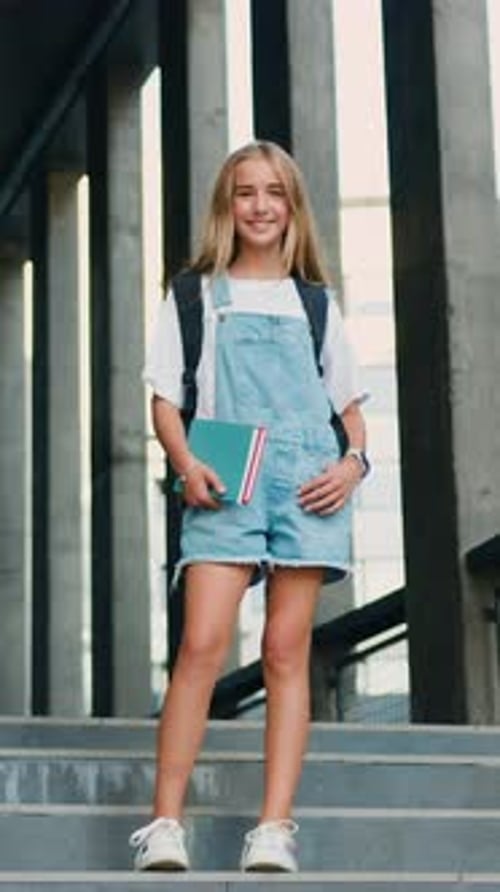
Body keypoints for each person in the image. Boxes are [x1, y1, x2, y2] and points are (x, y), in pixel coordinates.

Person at [129, 140, 368, 873]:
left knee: (284, 653)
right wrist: (186, 463)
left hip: (307, 476)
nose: (260, 206)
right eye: (245, 192)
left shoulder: (316, 303)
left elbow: (350, 412)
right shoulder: (195, 294)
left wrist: (353, 467)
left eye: (274, 193)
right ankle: (164, 824)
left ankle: (273, 828)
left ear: (292, 207)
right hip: (227, 464)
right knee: (201, 644)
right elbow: (165, 400)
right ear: (225, 206)